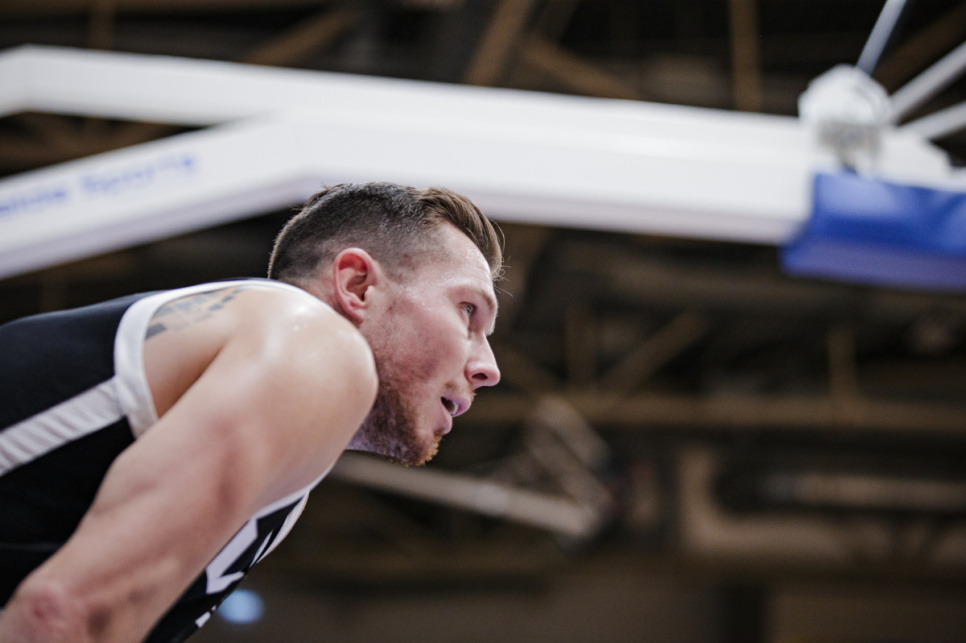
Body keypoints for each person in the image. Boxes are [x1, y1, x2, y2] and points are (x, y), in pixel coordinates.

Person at [0, 182, 503, 643]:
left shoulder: (288, 468)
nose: (490, 369)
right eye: (468, 311)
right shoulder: (317, 344)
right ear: (357, 287)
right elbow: (61, 615)